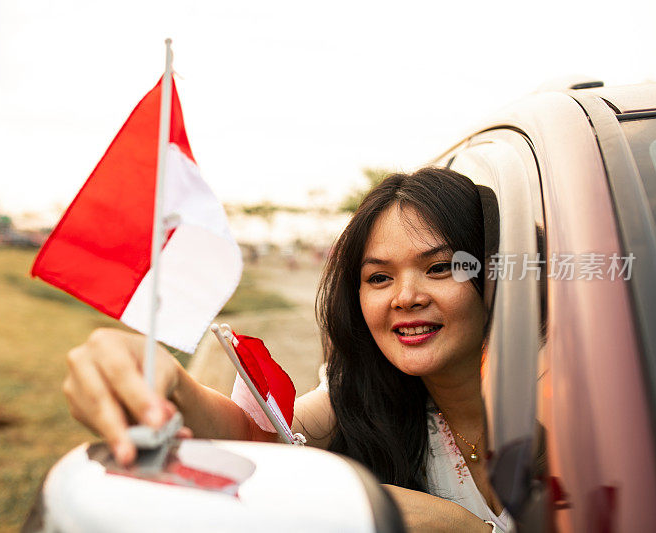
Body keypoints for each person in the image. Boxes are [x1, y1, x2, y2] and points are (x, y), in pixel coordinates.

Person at [63, 168, 512, 532]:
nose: (405, 296)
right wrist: (172, 385)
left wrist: (464, 528)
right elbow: (258, 436)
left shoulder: (564, 391)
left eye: (438, 268)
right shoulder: (365, 397)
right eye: (379, 277)